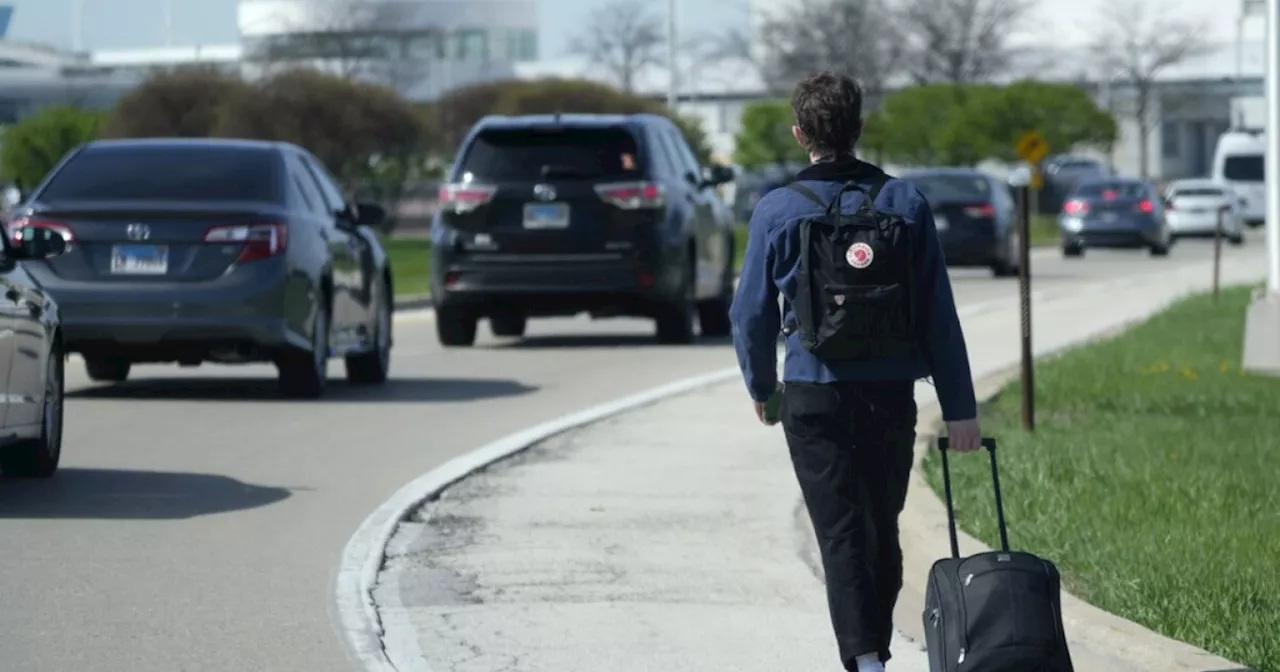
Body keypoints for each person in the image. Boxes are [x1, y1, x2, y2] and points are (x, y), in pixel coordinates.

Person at [728, 71, 982, 672]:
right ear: (859, 129)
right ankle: (873, 651)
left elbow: (749, 316)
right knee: (881, 528)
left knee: (840, 533)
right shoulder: (905, 203)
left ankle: (866, 660)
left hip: (813, 396)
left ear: (799, 134)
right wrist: (961, 408)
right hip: (889, 394)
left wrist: (764, 390)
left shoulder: (779, 209)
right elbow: (939, 316)